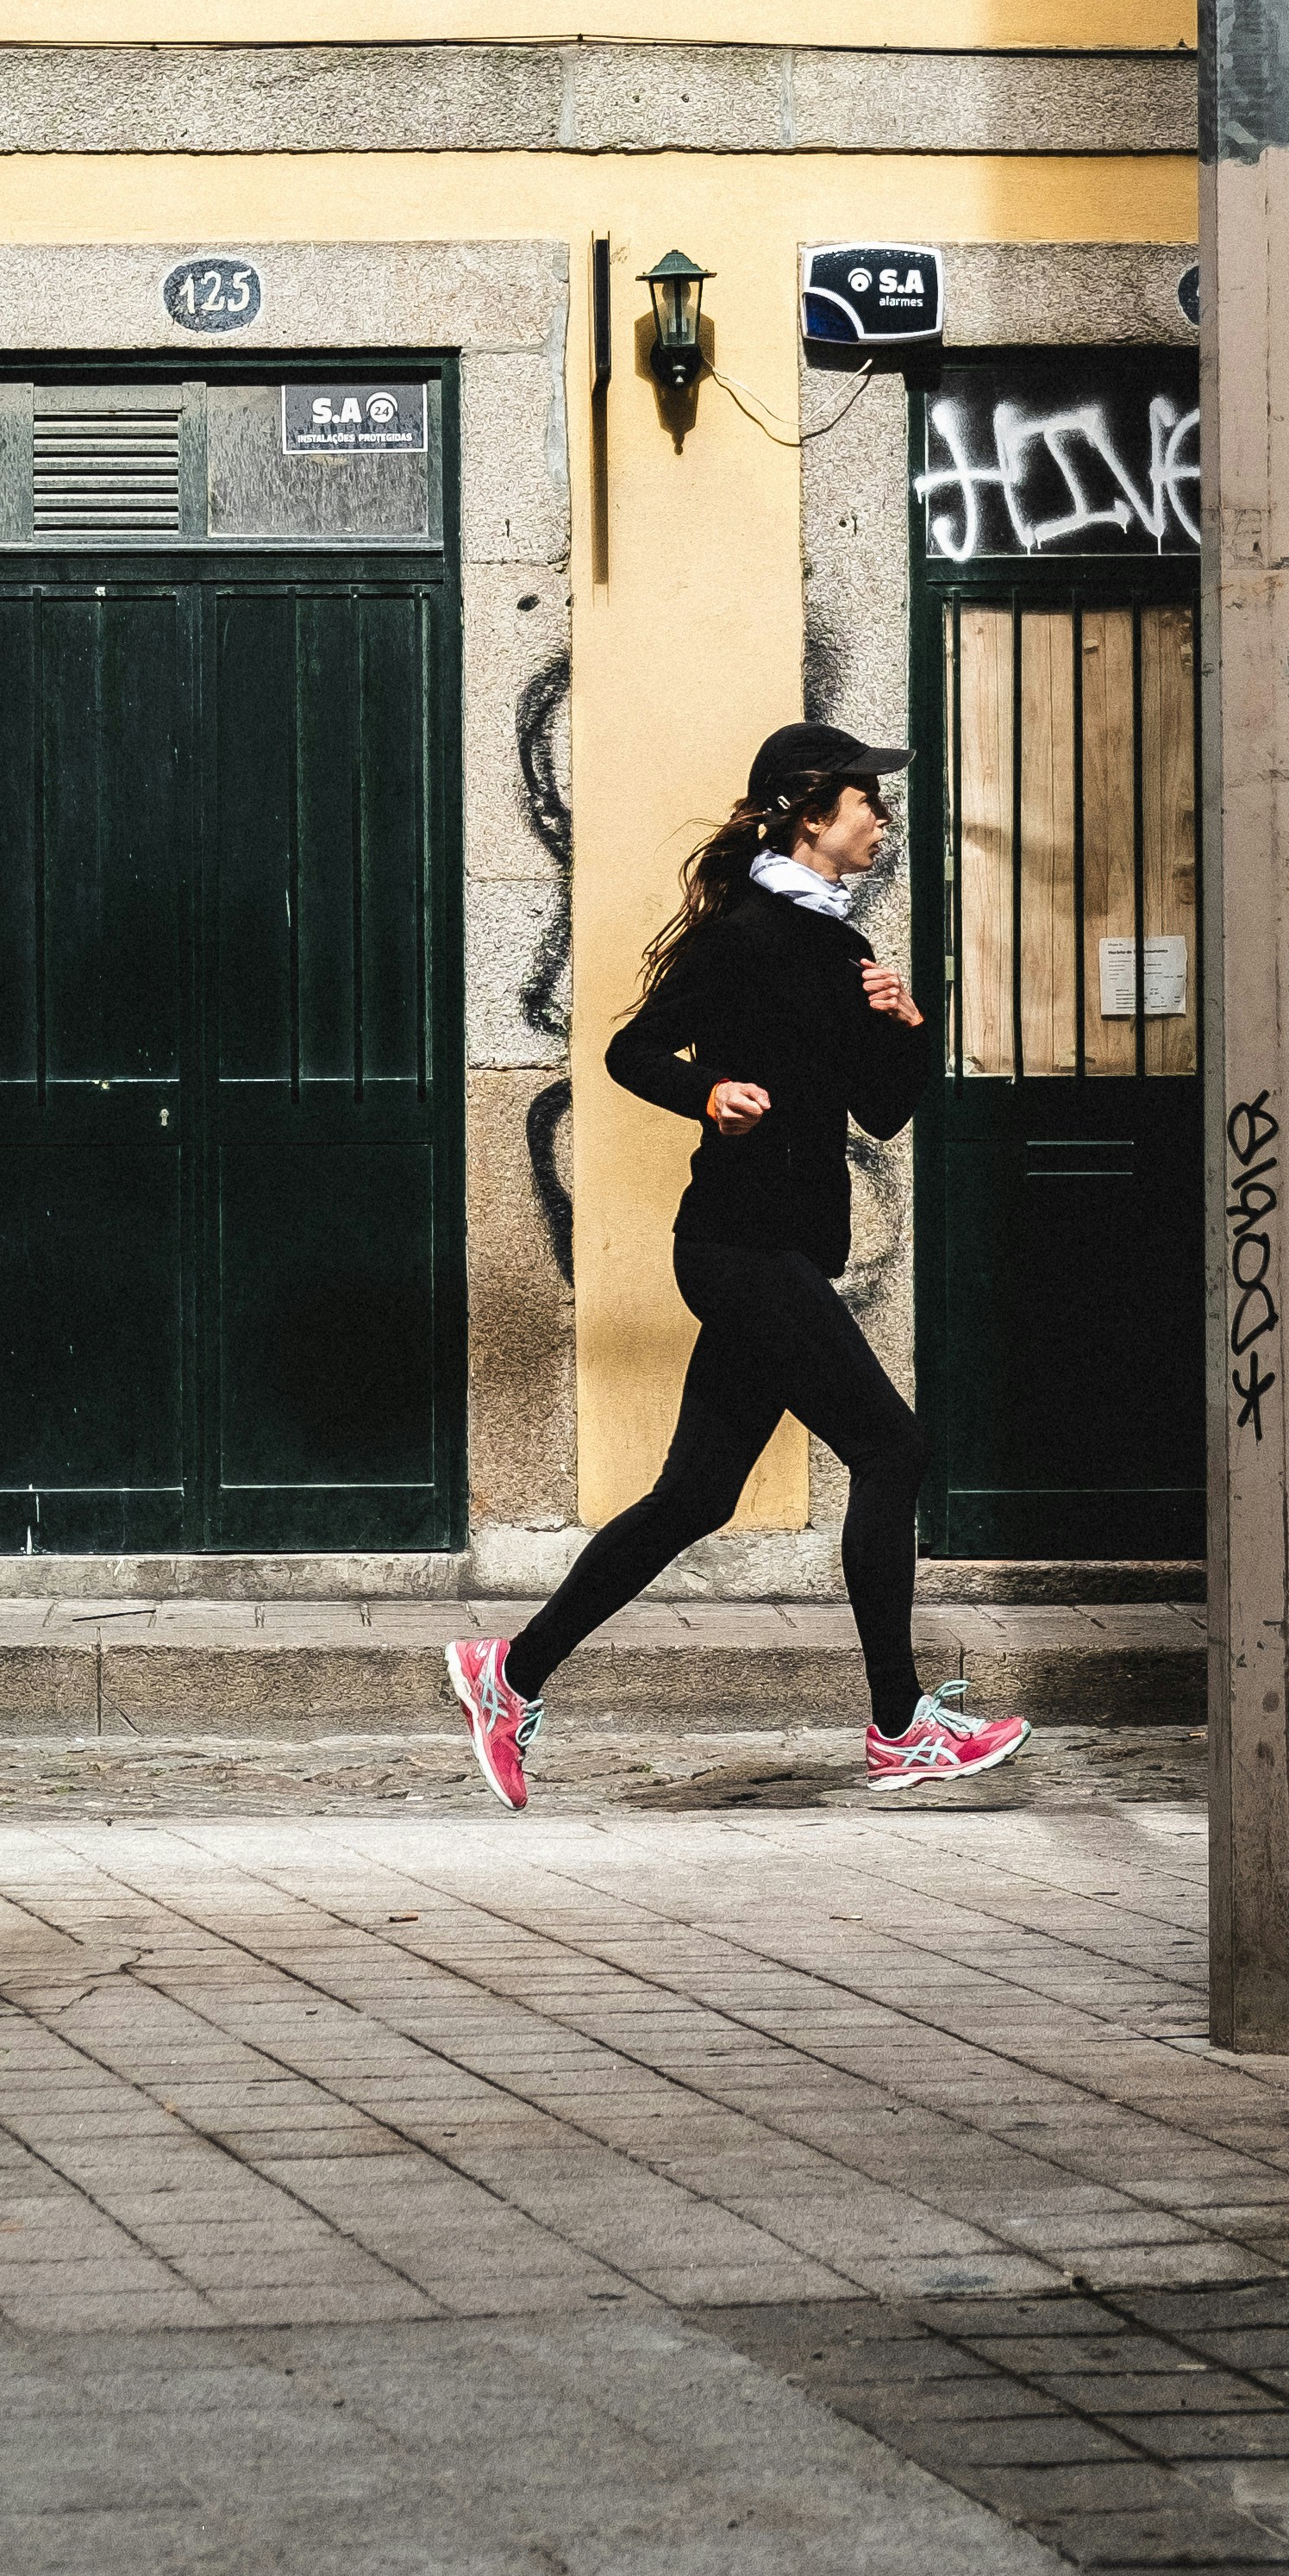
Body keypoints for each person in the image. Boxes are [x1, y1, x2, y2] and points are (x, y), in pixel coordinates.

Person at [447, 721, 1029, 1810]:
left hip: (783, 1247)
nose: (881, 816)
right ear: (809, 814)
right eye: (865, 799)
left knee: (692, 1497)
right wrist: (708, 1092)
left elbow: (880, 1113)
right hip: (736, 1245)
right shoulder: (743, 936)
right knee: (892, 1448)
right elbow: (629, 1051)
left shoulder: (840, 945)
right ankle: (898, 1726)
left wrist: (906, 1025)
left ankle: (509, 1673)